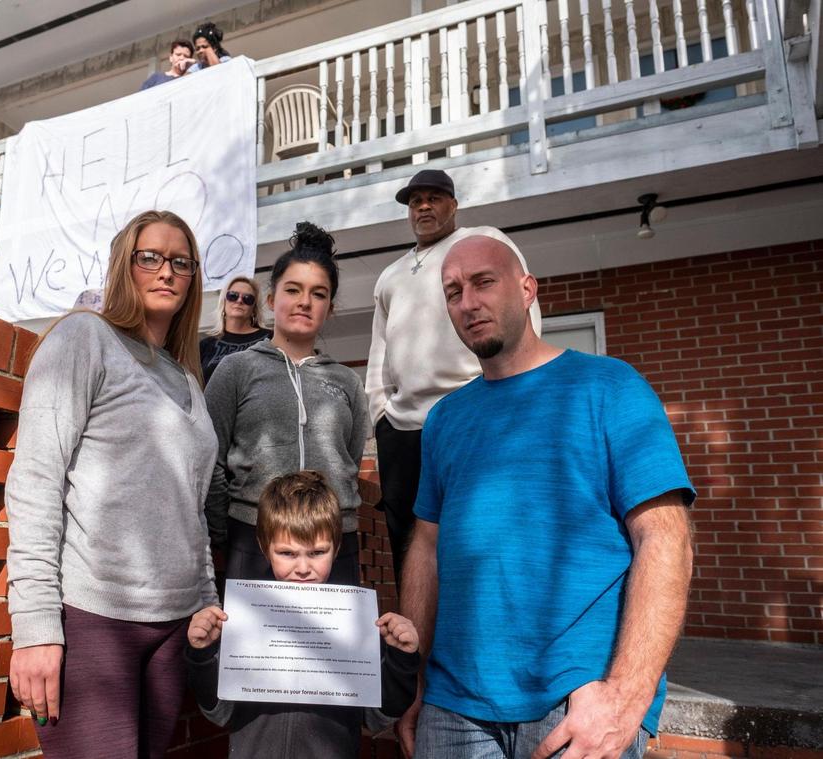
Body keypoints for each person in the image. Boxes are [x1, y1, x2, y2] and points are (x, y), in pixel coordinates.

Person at [398, 234, 695, 759]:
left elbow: (666, 540)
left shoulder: (610, 387)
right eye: (453, 292)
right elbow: (426, 548)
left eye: (484, 282)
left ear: (527, 289)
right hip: (452, 706)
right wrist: (413, 681)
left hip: (577, 701)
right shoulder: (444, 419)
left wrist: (627, 695)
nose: (468, 303)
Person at [5, 210, 219, 759]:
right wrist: (35, 628)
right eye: (150, 257)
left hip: (175, 625)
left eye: (181, 262)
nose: (166, 271)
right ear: (125, 264)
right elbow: (35, 479)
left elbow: (191, 508)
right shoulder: (85, 337)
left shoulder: (188, 379)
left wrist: (207, 601)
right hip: (94, 618)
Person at [364, 169, 542, 586]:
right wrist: (380, 415)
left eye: (434, 197)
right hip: (403, 429)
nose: (423, 206)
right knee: (407, 538)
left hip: (473, 412)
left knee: (478, 532)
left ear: (454, 204)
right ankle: (414, 627)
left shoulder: (483, 241)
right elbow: (378, 351)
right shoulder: (390, 275)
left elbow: (523, 316)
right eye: (415, 201)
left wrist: (516, 395)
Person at [186, 471, 421, 759]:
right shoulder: (241, 621)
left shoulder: (356, 625)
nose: (303, 568)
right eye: (287, 553)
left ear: (336, 549)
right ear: (265, 549)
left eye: (317, 552)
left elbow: (377, 716)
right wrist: (203, 654)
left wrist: (401, 659)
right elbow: (219, 711)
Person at [204, 222, 369, 583]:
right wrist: (226, 529)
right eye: (292, 290)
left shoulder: (348, 382)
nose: (304, 302)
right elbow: (210, 458)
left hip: (335, 544)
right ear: (270, 299)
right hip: (252, 539)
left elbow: (351, 460)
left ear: (330, 307)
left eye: (318, 294)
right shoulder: (236, 369)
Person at [199, 276, 272, 385]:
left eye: (247, 298)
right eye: (233, 296)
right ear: (224, 302)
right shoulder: (206, 345)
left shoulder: (270, 338)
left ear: (254, 308)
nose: (239, 301)